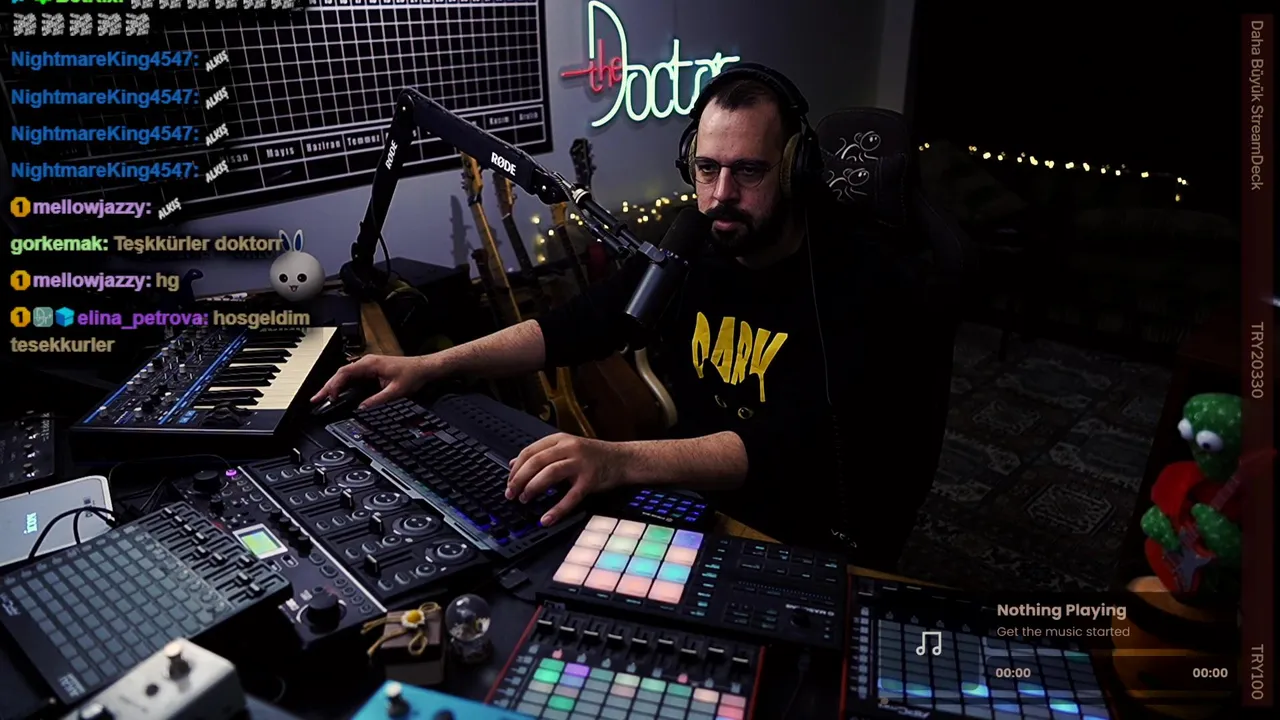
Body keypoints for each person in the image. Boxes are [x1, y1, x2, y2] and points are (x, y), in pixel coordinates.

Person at [314, 65, 948, 571]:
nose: (720, 195)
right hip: (699, 498)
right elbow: (572, 326)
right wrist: (431, 365)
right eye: (707, 169)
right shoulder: (696, 245)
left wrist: (616, 459)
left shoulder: (863, 283)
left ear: (793, 170)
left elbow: (784, 444)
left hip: (805, 523)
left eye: (749, 171)